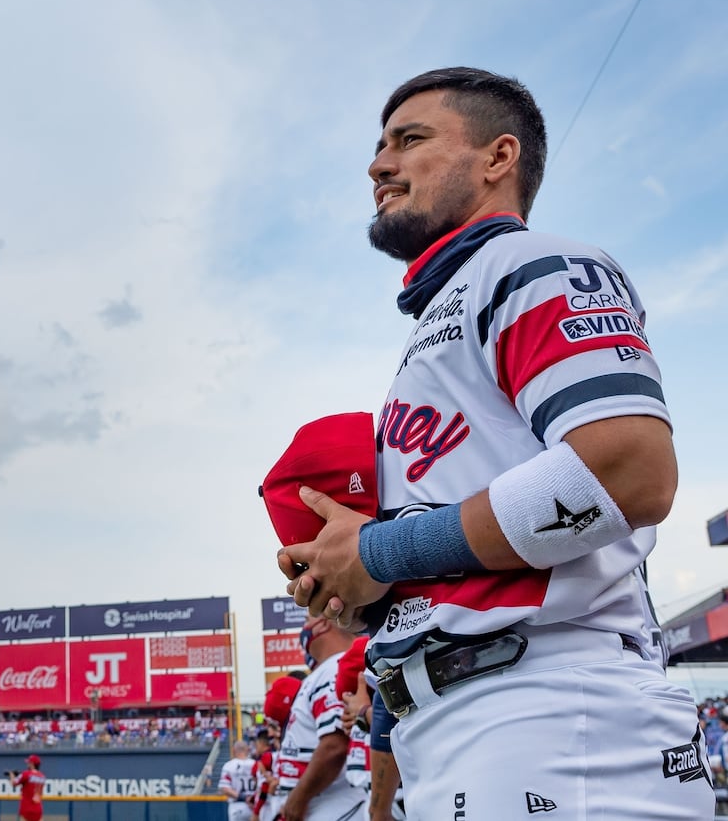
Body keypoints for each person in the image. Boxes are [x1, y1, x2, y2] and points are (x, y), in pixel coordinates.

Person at [276, 66, 713, 819]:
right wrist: (366, 592)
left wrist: (379, 552)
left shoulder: (530, 263)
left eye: (410, 140)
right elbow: (471, 548)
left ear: (497, 158)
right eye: (379, 146)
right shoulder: (446, 316)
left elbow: (631, 472)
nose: (379, 164)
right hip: (469, 720)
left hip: (551, 713)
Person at [270, 620, 366, 821]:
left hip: (336, 808)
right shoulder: (328, 668)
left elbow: (334, 746)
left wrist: (297, 799)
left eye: (307, 619)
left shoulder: (335, 666)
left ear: (322, 624)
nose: (304, 627)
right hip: (328, 806)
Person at [217, 741, 257, 821]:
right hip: (254, 806)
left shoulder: (229, 765)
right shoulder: (256, 764)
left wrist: (244, 798)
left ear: (234, 750)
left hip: (237, 805)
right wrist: (252, 799)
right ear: (248, 750)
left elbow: (225, 788)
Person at [6, 754, 45, 821]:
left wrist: (11, 775)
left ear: (32, 764)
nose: (27, 764)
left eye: (29, 762)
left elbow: (13, 783)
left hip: (26, 809)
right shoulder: (42, 776)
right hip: (38, 809)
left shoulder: (26, 774)